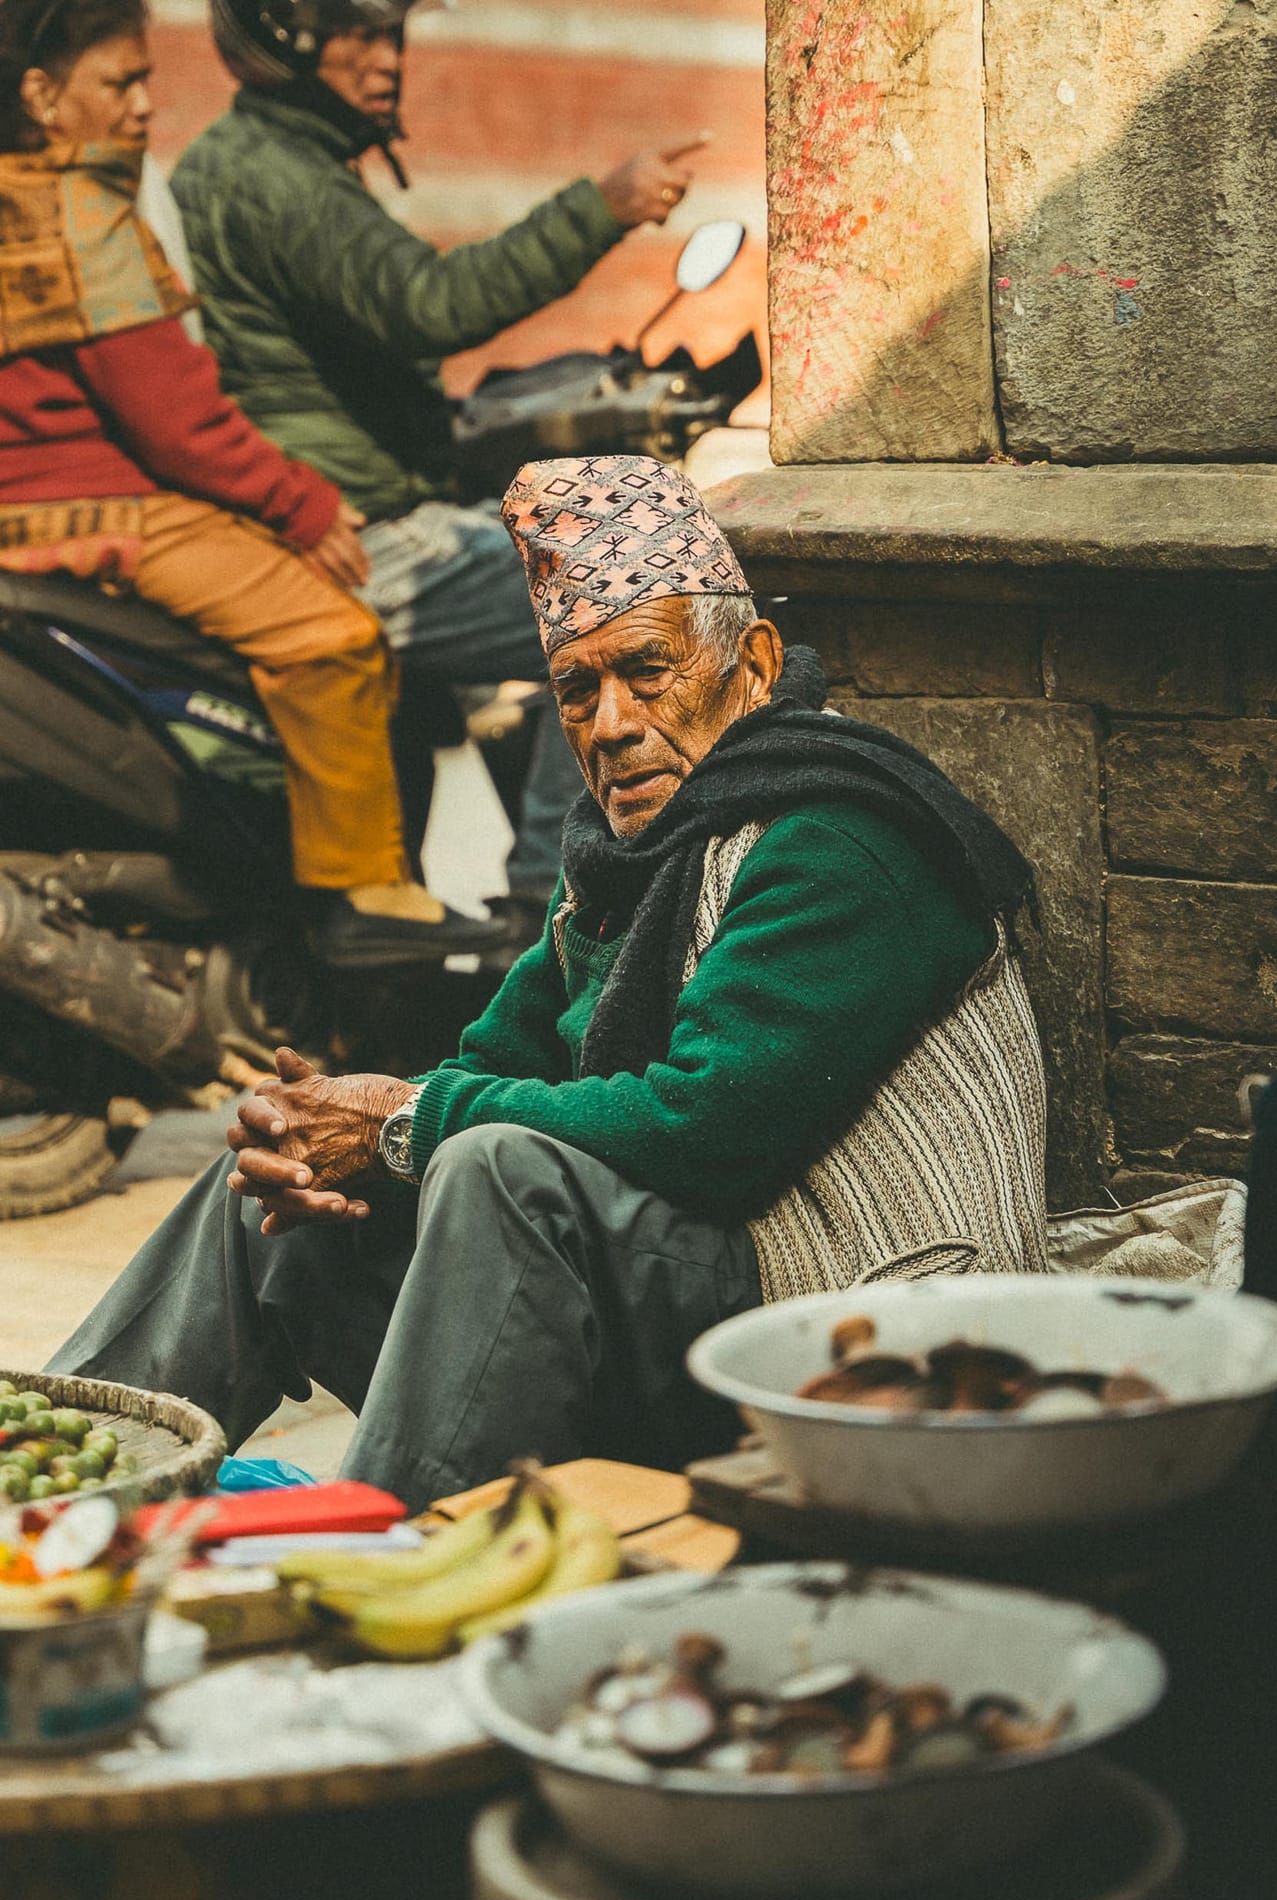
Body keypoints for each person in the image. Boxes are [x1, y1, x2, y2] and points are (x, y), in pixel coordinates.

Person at [50, 458, 1050, 1509]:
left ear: (751, 663)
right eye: (577, 690)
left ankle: (396, 1563)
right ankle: (58, 1485)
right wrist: (325, 1128)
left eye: (646, 671)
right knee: (271, 1182)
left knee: (495, 1168)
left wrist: (404, 1121)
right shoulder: (628, 863)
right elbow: (492, 1059)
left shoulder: (839, 831)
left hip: (854, 1326)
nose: (609, 722)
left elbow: (704, 1129)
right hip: (689, 1301)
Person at [171, 0, 708, 928]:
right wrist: (602, 208)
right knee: (612, 595)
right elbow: (428, 302)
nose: (388, 60)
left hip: (339, 501)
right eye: (361, 36)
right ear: (287, 41)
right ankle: (560, 900)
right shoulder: (277, 179)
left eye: (392, 36)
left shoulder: (263, 161)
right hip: (357, 530)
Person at [0, 0, 502, 966]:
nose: (148, 104)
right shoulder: (78, 211)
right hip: (107, 511)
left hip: (38, 516)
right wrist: (301, 502)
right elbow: (176, 418)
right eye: (122, 82)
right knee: (337, 635)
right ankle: (364, 894)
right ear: (42, 96)